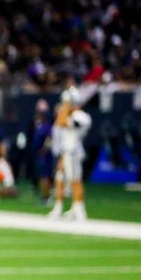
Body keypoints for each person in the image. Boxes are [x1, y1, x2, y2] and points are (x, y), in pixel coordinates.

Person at [49, 87, 93, 221]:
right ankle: (64, 208)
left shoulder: (81, 116)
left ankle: (79, 210)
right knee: (60, 178)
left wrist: (66, 105)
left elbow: (60, 122)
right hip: (67, 151)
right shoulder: (73, 115)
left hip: (73, 151)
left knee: (75, 180)